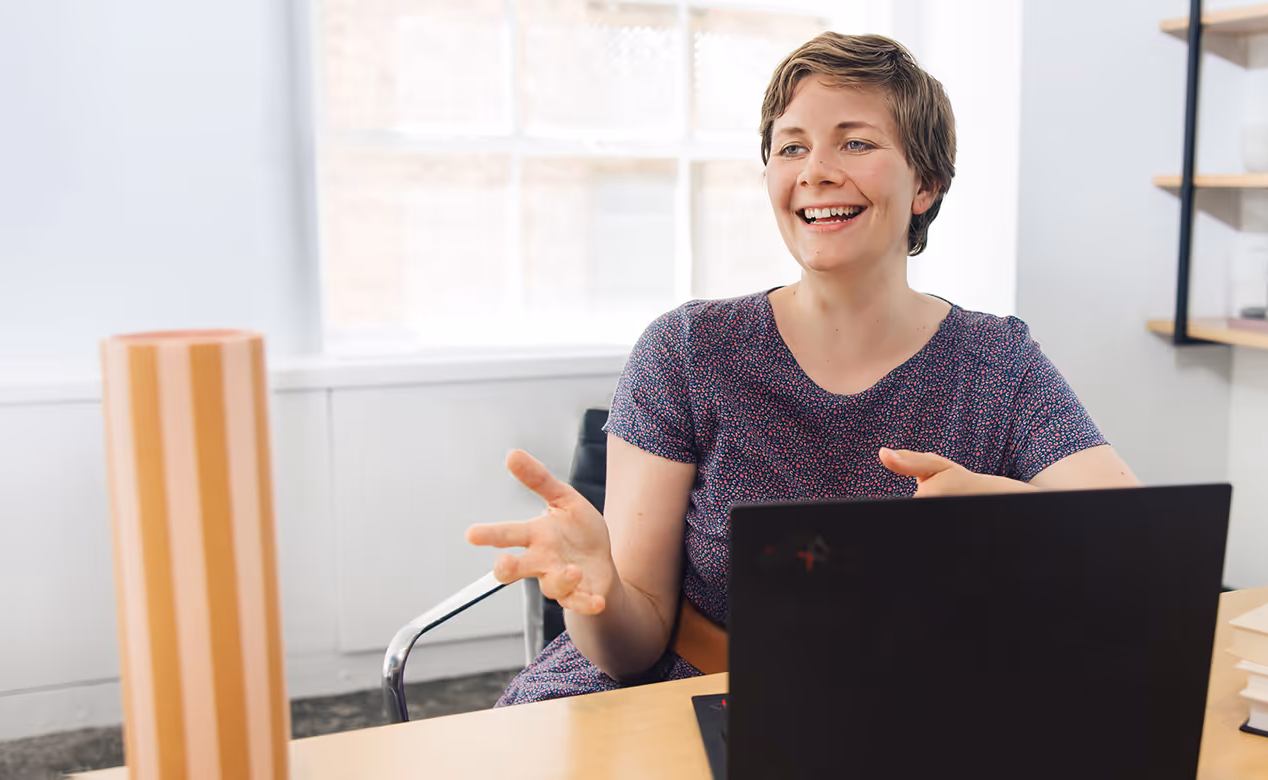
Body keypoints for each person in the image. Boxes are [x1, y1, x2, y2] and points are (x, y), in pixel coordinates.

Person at [466, 32, 1138, 705]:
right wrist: (601, 593)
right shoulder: (686, 350)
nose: (815, 170)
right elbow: (633, 646)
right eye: (791, 147)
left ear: (925, 184)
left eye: (856, 141)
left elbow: (1139, 544)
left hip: (908, 701)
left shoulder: (997, 362)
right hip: (685, 690)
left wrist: (1004, 511)